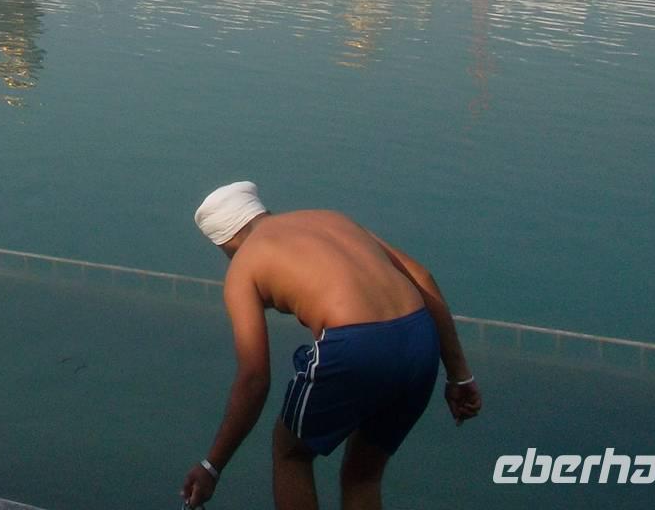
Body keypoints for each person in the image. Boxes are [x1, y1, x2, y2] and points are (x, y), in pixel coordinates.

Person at [181, 182, 481, 509]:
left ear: (224, 241)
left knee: (290, 452)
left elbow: (254, 378)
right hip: (420, 337)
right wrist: (459, 376)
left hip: (356, 346)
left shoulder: (243, 266)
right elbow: (421, 277)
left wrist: (212, 466)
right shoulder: (331, 218)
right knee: (363, 475)